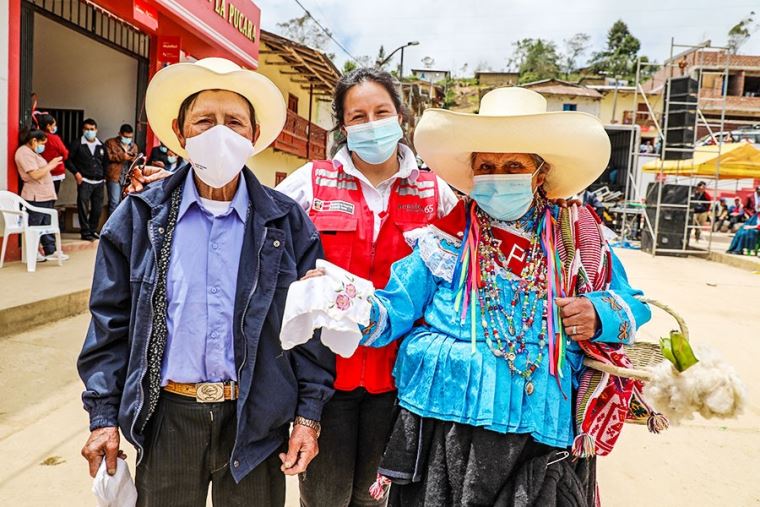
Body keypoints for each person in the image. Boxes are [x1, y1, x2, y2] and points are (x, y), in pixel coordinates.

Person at [306, 88, 653, 505]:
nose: (498, 175)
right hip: (447, 428)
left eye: (513, 166)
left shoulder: (576, 235)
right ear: (472, 174)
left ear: (539, 174)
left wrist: (598, 314)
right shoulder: (446, 238)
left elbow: (633, 305)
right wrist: (341, 298)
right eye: (487, 166)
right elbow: (393, 307)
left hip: (537, 433)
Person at [77, 57, 335, 506]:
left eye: (234, 122)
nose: (220, 133)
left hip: (256, 421)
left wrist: (308, 417)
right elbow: (109, 324)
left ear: (253, 135)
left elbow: (311, 329)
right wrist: (103, 416)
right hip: (167, 418)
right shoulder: (140, 218)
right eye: (204, 121)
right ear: (181, 133)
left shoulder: (286, 222)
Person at [275, 67, 459, 506]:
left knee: (377, 498)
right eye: (358, 116)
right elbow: (263, 236)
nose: (371, 124)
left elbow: (460, 275)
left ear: (401, 118)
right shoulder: (311, 182)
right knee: (325, 497)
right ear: (343, 126)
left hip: (399, 383)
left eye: (381, 112)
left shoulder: (435, 193)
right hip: (324, 381)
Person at [13, 127, 69, 262]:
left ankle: (50, 250)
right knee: (36, 224)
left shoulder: (32, 152)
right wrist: (51, 165)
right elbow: (35, 174)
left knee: (47, 224)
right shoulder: (24, 153)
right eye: (42, 143)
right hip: (35, 196)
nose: (43, 147)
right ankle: (33, 252)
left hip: (45, 194)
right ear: (34, 141)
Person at [67, 118, 109, 241]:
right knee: (83, 208)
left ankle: (93, 230)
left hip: (99, 182)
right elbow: (68, 160)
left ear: (96, 130)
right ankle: (85, 232)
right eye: (86, 129)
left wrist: (104, 176)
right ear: (83, 130)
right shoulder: (77, 144)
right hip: (84, 180)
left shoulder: (101, 145)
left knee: (97, 208)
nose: (89, 131)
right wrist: (76, 173)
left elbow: (105, 162)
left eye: (92, 129)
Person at [105, 124, 140, 216]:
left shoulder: (134, 146)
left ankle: (121, 223)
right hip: (114, 176)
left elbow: (135, 163)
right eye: (125, 137)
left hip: (127, 177)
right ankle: (112, 224)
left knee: (124, 202)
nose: (128, 139)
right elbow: (107, 157)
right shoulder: (110, 143)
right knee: (114, 202)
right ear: (120, 134)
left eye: (130, 137)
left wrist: (133, 159)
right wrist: (122, 157)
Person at [35, 113, 69, 194]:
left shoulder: (35, 137)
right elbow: (65, 153)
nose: (55, 127)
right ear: (48, 126)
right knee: (52, 195)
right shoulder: (54, 138)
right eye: (54, 125)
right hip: (55, 172)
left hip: (39, 171)